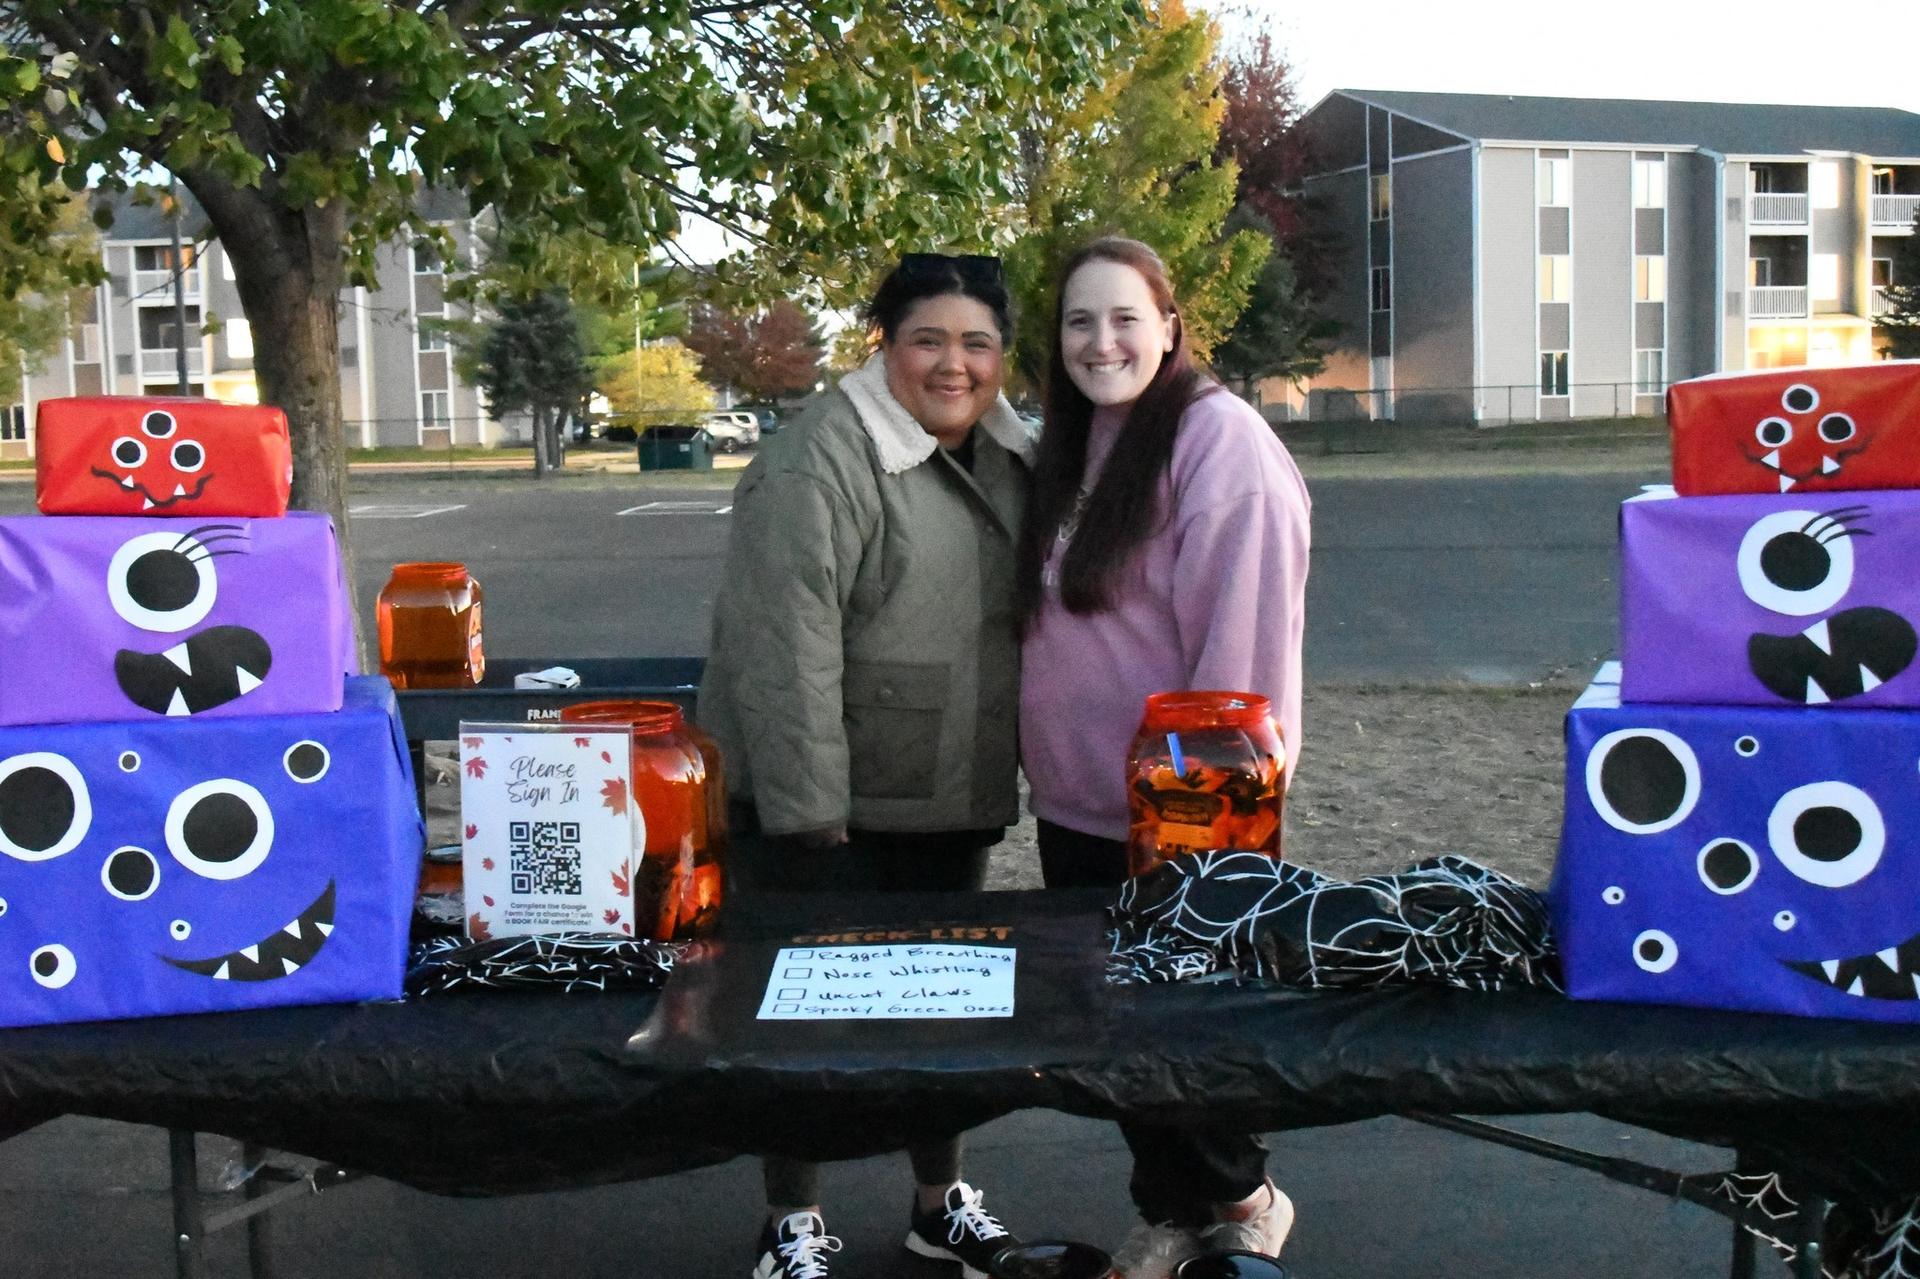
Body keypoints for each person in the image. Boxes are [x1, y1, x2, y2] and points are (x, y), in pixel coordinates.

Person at [698, 253, 1033, 1279]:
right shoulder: (817, 462)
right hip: (825, 804)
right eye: (927, 338)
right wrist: (807, 809)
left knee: (941, 1012)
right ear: (883, 343)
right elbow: (780, 641)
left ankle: (941, 1201)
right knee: (804, 1021)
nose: (953, 362)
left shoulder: (1014, 452)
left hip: (942, 785)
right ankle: (791, 1218)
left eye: (977, 342)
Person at [1016, 237, 1311, 1278]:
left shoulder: (1217, 442)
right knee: (1119, 1037)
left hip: (1187, 817)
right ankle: (1171, 1207)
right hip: (1078, 804)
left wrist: (1204, 809)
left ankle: (1243, 1197)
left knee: (1189, 1026)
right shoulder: (1082, 441)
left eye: (1125, 317)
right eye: (1079, 322)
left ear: (1172, 326)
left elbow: (1243, 643)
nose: (1102, 342)